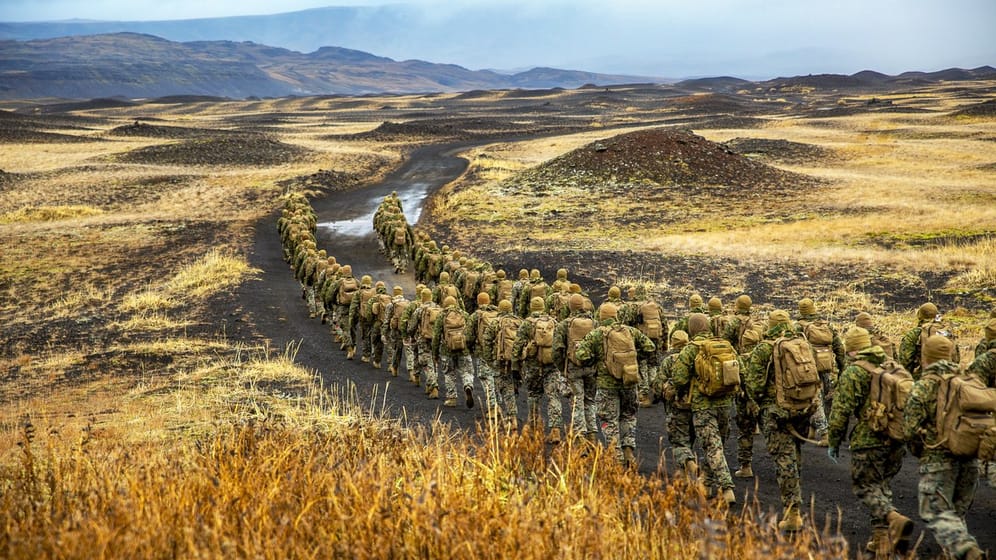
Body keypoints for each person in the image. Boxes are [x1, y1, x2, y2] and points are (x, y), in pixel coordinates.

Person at [827, 327, 914, 557]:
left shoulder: (854, 372)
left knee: (865, 486)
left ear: (852, 350)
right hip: (896, 438)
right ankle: (880, 539)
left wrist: (833, 441)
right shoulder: (892, 366)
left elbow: (840, 412)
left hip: (869, 440)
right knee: (882, 485)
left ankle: (893, 518)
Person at [903, 335, 987, 560]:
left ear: (925, 357)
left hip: (939, 459)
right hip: (970, 459)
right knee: (956, 514)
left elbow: (910, 430)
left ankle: (966, 550)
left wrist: (921, 451)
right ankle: (953, 554)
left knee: (935, 511)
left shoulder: (923, 386)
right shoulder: (970, 381)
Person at [744, 309, 817, 533]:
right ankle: (795, 497)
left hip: (776, 412)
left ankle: (792, 513)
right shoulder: (802, 344)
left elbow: (754, 385)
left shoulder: (765, 348)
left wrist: (754, 403)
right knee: (794, 454)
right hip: (802, 408)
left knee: (783, 459)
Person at [574, 303, 656, 467]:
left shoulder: (597, 334)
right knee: (628, 417)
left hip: (606, 386)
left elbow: (581, 355)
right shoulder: (630, 331)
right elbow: (650, 347)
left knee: (609, 421)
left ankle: (616, 458)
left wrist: (597, 359)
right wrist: (632, 360)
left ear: (601, 316)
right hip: (629, 383)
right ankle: (628, 452)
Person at [671, 313, 737, 504]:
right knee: (717, 446)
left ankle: (727, 488)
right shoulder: (725, 344)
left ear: (691, 329)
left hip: (703, 405)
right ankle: (706, 484)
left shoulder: (691, 349)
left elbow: (679, 378)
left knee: (712, 447)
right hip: (725, 403)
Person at [512, 297, 563, 443]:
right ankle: (555, 431)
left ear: (531, 306)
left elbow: (517, 345)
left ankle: (533, 428)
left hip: (533, 366)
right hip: (551, 366)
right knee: (553, 396)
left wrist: (515, 366)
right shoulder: (553, 323)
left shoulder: (527, 324)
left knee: (533, 395)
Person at [795, 297, 844, 448]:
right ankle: (813, 429)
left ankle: (825, 433)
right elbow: (839, 347)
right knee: (827, 399)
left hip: (809, 368)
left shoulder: (798, 327)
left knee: (815, 399)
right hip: (828, 367)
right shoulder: (825, 325)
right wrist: (841, 367)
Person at [722, 294, 761, 478]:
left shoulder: (732, 323)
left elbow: (725, 344)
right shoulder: (757, 323)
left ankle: (746, 466)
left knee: (743, 421)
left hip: (740, 367)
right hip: (757, 367)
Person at [553, 293, 597, 442]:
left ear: (570, 306)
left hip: (573, 368)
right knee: (590, 401)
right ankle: (592, 434)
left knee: (577, 400)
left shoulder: (564, 324)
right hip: (591, 368)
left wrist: (562, 368)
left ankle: (579, 437)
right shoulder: (594, 323)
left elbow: (557, 351)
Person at [621, 285, 667, 408]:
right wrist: (665, 343)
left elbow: (625, 327)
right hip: (656, 341)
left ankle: (644, 395)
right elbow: (664, 326)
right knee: (653, 366)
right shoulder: (656, 306)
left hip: (640, 342)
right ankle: (657, 390)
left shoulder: (632, 307)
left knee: (641, 367)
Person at [659, 330, 696, 475]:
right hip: (696, 405)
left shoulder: (669, 360)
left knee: (679, 441)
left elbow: (658, 384)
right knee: (690, 438)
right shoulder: (695, 356)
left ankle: (689, 463)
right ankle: (682, 472)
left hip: (676, 407)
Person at [432, 296, 475, 408]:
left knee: (449, 374)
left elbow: (436, 336)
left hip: (447, 351)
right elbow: (470, 334)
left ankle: (452, 398)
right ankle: (467, 385)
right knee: (467, 371)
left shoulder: (442, 316)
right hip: (463, 350)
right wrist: (469, 348)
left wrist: (435, 354)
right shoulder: (464, 314)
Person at [484, 299, 522, 426]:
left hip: (499, 361)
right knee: (510, 388)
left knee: (499, 389)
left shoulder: (495, 323)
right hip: (514, 362)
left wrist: (489, 360)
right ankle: (513, 418)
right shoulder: (519, 322)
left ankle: (504, 417)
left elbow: (487, 342)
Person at [898, 302, 960, 379]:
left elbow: (905, 360)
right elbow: (956, 358)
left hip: (923, 378)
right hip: (948, 378)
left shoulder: (915, 333)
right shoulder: (946, 332)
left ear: (920, 316)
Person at [467, 292, 501, 418]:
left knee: (486, 379)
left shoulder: (476, 315)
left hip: (482, 352)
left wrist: (470, 349)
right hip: (498, 352)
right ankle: (499, 403)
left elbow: (469, 336)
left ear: (478, 301)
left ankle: (492, 408)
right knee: (497, 377)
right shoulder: (498, 313)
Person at [407, 288, 440, 399]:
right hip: (437, 340)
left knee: (426, 363)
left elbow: (412, 327)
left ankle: (433, 387)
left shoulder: (419, 310)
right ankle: (430, 384)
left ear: (422, 297)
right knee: (434, 362)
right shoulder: (438, 308)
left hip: (424, 340)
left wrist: (411, 336)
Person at [381, 286, 409, 377]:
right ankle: (412, 372)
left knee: (396, 350)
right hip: (406, 330)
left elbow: (386, 320)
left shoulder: (391, 304)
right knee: (409, 351)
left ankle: (394, 367)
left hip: (395, 331)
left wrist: (384, 333)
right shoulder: (408, 303)